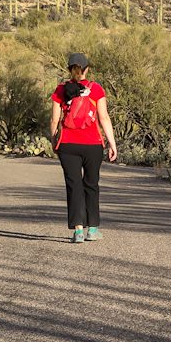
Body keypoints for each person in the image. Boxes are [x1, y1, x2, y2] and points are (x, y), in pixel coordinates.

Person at [50, 52, 118, 243]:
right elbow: (103, 118)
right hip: (92, 144)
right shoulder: (95, 89)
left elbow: (55, 119)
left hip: (68, 145)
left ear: (69, 69)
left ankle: (78, 231)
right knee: (91, 184)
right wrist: (112, 143)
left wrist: (53, 139)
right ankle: (93, 229)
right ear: (87, 69)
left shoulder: (61, 90)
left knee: (74, 186)